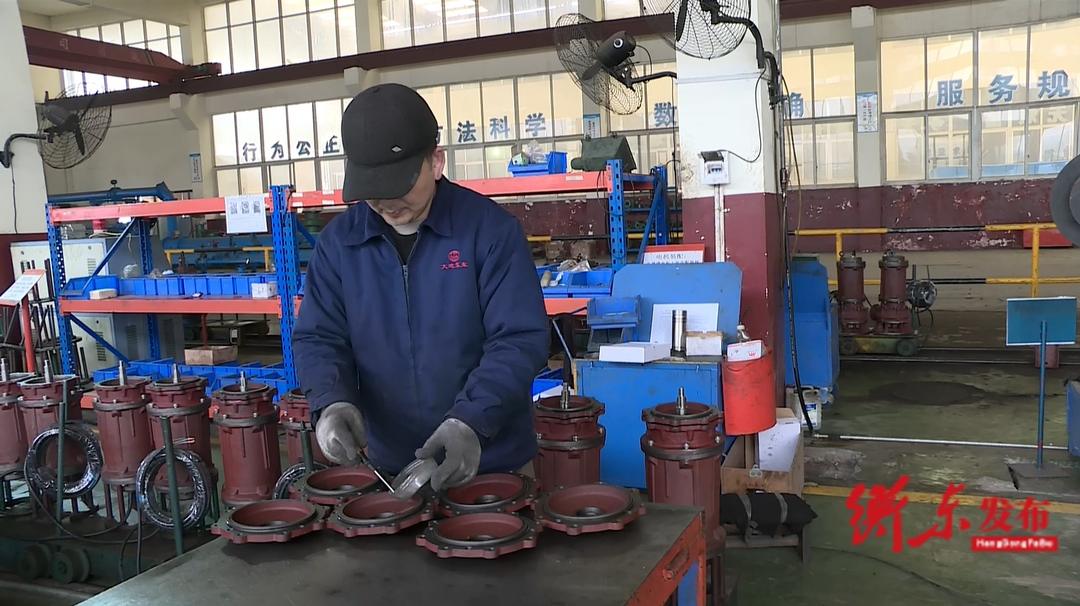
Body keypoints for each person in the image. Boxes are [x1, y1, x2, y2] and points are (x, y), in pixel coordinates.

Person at [293, 83, 549, 491]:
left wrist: (470, 421)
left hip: (489, 461)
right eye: (372, 190)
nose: (386, 202)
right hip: (389, 469)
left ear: (436, 162)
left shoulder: (489, 232)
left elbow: (519, 338)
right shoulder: (339, 246)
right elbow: (319, 337)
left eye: (398, 184)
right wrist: (331, 402)